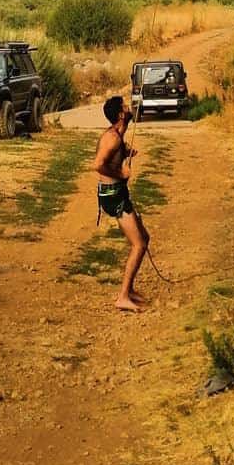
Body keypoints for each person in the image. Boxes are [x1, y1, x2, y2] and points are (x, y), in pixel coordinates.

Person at [92, 95, 150, 313]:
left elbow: (111, 156)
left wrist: (125, 153)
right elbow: (97, 165)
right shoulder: (113, 138)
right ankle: (123, 296)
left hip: (119, 192)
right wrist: (120, 172)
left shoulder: (118, 137)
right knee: (139, 244)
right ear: (119, 115)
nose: (129, 108)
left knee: (144, 238)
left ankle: (130, 290)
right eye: (126, 107)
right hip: (112, 195)